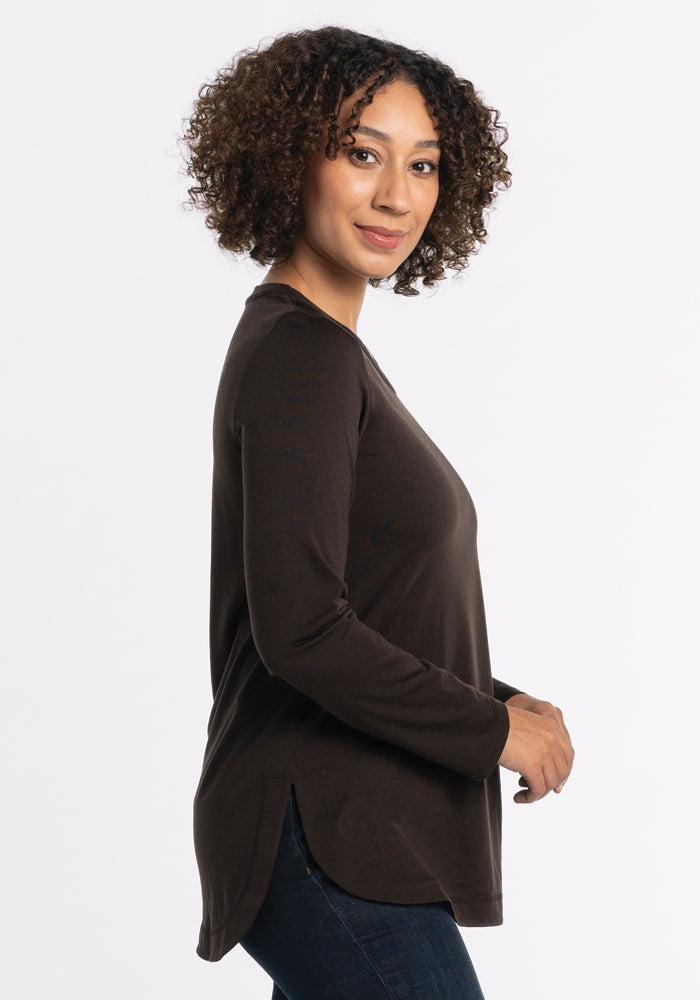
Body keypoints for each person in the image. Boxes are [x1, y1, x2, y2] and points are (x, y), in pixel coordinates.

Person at [179, 24, 574, 999]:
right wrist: (488, 732)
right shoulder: (301, 356)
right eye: (362, 152)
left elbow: (359, 606)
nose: (396, 194)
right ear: (288, 155)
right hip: (326, 831)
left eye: (424, 164)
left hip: (350, 833)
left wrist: (492, 694)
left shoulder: (316, 353)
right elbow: (303, 630)